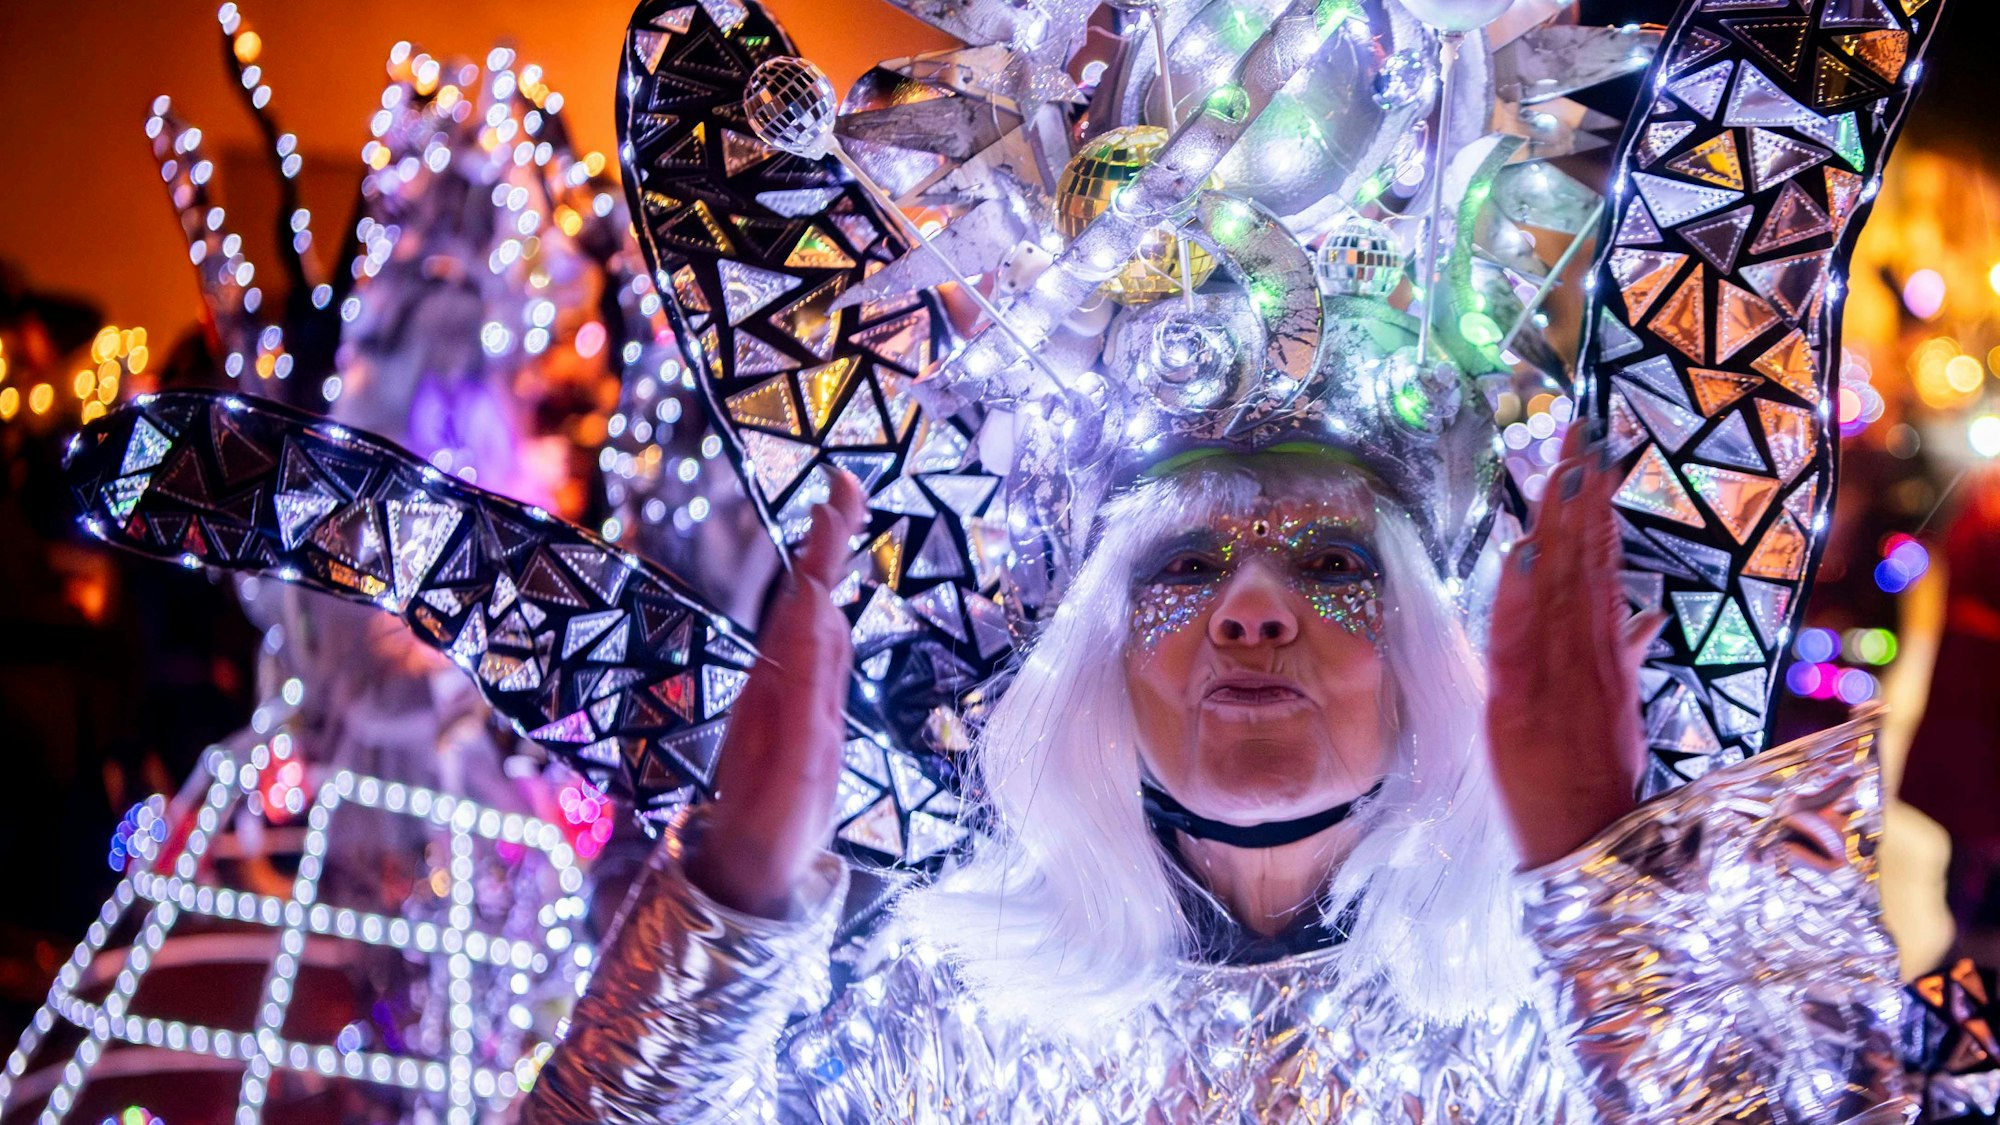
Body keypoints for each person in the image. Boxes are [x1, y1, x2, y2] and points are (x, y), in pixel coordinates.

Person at [524, 429, 1910, 1123]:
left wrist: (1604, 886)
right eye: (1183, 566)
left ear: (1432, 648)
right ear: (1093, 660)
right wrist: (731, 898)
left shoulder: (1554, 1027)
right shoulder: (936, 1009)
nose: (1250, 609)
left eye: (1332, 564)